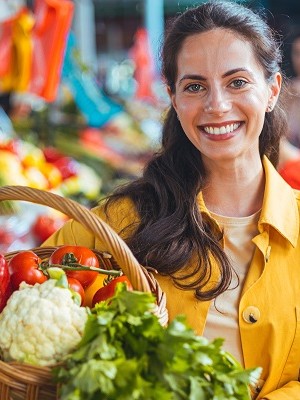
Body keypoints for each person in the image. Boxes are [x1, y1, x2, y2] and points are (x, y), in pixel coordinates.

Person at [44, 1, 300, 398]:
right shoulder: (124, 220)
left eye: (237, 82)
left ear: (271, 90)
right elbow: (25, 292)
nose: (217, 105)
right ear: (174, 98)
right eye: (195, 86)